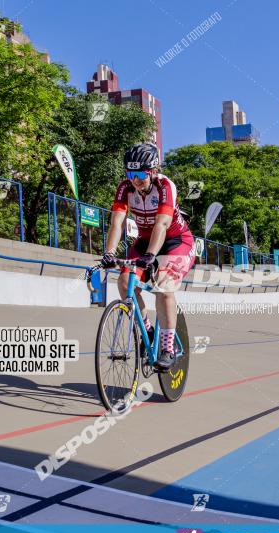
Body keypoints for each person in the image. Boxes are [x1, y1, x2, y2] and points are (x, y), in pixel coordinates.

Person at [101, 142, 195, 371]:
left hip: (175, 241)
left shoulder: (165, 186)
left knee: (164, 286)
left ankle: (167, 347)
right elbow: (117, 223)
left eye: (140, 173)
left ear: (152, 171)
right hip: (144, 240)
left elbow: (162, 224)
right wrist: (109, 253)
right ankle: (148, 330)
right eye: (130, 173)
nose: (135, 179)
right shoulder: (125, 188)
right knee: (124, 283)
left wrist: (152, 255)